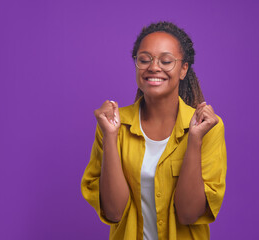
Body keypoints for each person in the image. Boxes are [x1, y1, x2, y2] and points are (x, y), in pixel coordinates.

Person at [81, 21, 227, 240]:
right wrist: (111, 137)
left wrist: (194, 140)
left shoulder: (208, 127)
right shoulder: (112, 125)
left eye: (166, 61)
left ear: (183, 69)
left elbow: (188, 214)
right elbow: (113, 211)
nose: (154, 67)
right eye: (144, 60)